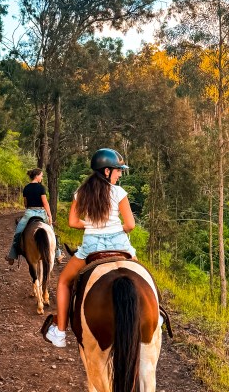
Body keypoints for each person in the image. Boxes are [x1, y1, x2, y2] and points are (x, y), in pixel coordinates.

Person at [43, 148, 136, 348]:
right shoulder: (119, 192)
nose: (120, 174)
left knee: (64, 282)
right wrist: (113, 227)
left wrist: (92, 225)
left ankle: (59, 332)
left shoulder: (81, 192)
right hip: (120, 243)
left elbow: (73, 222)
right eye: (117, 170)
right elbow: (130, 225)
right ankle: (158, 315)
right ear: (106, 171)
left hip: (91, 245)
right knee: (142, 276)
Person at [5, 168, 62, 265]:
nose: (42, 177)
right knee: (52, 232)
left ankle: (12, 256)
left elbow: (25, 203)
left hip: (29, 212)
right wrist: (50, 216)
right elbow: (45, 203)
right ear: (37, 176)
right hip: (41, 212)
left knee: (18, 232)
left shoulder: (26, 188)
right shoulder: (41, 188)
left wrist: (29, 208)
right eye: (41, 175)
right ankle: (58, 255)